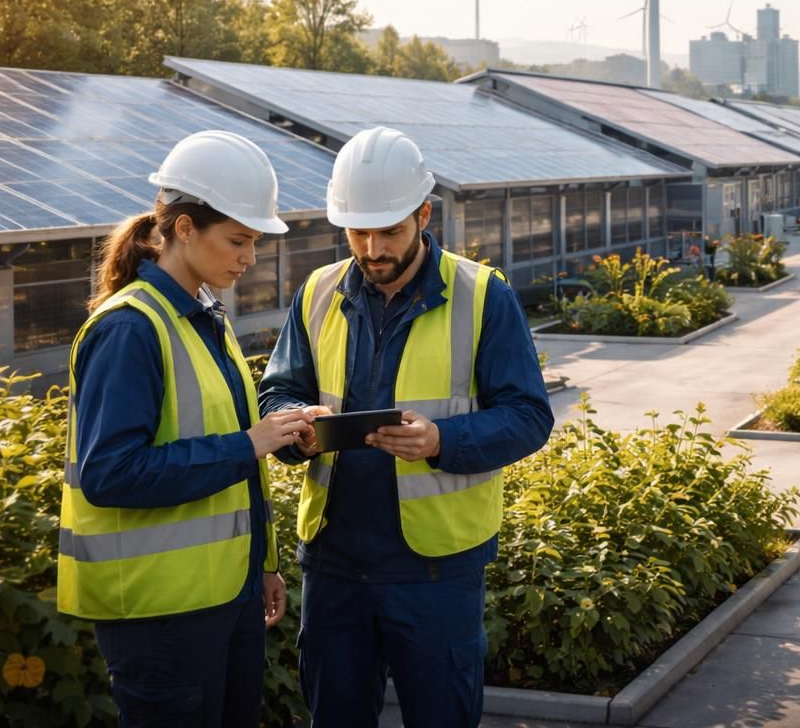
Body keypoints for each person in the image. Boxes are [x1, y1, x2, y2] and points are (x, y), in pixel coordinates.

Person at [258, 126, 554, 728]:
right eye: (358, 231)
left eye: (388, 230)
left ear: (423, 213)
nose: (372, 249)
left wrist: (443, 440)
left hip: (436, 570)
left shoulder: (482, 296)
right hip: (334, 564)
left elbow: (528, 417)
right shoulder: (317, 291)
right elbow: (279, 388)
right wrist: (293, 425)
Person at [58, 131, 308, 728]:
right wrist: (251, 443)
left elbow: (230, 464)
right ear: (185, 229)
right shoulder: (130, 330)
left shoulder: (204, 318)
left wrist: (261, 567)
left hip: (223, 599)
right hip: (159, 616)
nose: (249, 257)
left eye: (253, 241)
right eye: (238, 240)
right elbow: (111, 474)